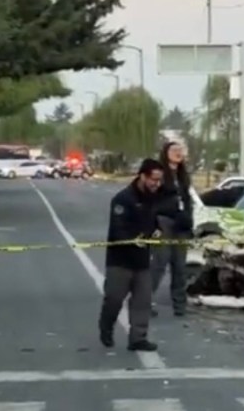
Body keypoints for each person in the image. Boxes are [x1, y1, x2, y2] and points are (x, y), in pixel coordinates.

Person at [98, 158, 163, 352]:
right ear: (142, 176)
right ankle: (106, 326)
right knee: (114, 298)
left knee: (142, 301)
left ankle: (138, 338)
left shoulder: (153, 198)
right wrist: (133, 239)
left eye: (159, 180)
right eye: (153, 179)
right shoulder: (123, 199)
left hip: (142, 260)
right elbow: (118, 229)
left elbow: (154, 220)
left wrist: (156, 231)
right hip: (120, 259)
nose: (156, 184)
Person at [150, 141, 195, 317]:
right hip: (164, 222)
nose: (178, 153)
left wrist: (189, 220)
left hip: (181, 224)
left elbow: (188, 199)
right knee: (159, 264)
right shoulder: (158, 173)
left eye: (180, 150)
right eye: (174, 150)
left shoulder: (184, 175)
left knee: (180, 266)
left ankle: (180, 305)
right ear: (166, 153)